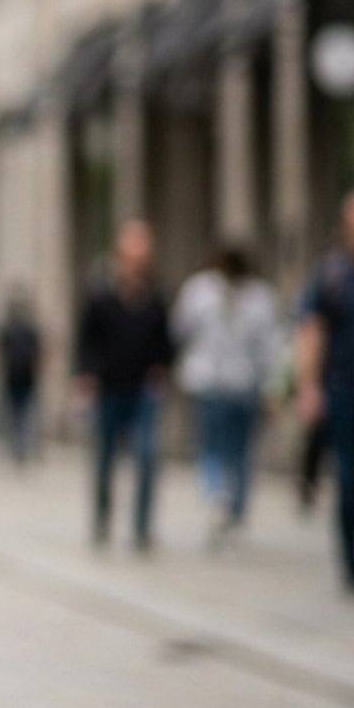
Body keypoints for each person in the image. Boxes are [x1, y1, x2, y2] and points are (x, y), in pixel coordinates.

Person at [74, 219, 176, 551]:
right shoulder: (102, 295)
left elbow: (165, 342)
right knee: (105, 457)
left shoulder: (155, 297)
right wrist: (87, 375)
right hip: (109, 387)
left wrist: (162, 368)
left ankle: (142, 527)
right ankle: (102, 518)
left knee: (147, 456)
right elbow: (87, 339)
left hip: (143, 389)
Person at [172, 245, 279, 546]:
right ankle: (233, 508)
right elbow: (270, 347)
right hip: (231, 382)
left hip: (222, 383)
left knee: (216, 446)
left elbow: (180, 332)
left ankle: (220, 495)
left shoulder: (200, 291)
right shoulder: (259, 296)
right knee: (237, 450)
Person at [297, 191, 354, 594]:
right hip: (342, 390)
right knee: (350, 477)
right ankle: (349, 558)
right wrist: (308, 387)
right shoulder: (331, 275)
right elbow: (311, 331)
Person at [0, 290, 43, 467]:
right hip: (23, 377)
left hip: (14, 377)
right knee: (22, 414)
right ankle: (19, 447)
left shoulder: (9, 330)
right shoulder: (29, 331)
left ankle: (17, 447)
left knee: (14, 414)